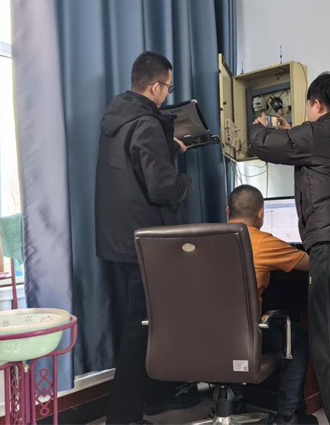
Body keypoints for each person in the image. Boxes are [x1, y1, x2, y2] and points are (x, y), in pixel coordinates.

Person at [249, 73, 330, 425]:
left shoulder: (317, 133)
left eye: (307, 106)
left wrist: (259, 126)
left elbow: (265, 145)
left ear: (317, 104)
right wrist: (293, 131)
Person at [95, 51, 198, 425]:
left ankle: (154, 398)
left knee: (144, 324)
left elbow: (132, 166)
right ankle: (123, 417)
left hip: (120, 241)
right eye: (168, 86)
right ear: (155, 86)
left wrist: (170, 149)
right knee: (143, 330)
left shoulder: (118, 119)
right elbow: (161, 188)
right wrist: (185, 182)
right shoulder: (147, 123)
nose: (168, 93)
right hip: (146, 243)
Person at [227, 185, 317, 425]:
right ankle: (287, 416)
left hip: (201, 336)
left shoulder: (204, 239)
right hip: (244, 337)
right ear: (261, 215)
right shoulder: (261, 241)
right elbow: (311, 263)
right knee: (297, 336)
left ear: (227, 211)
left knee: (230, 331)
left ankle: (233, 406)